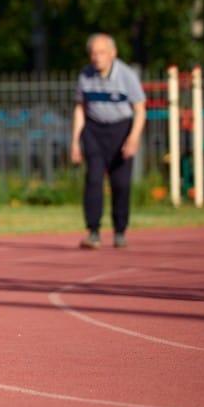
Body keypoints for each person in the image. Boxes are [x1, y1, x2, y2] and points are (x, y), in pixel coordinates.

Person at [71, 33, 146, 250]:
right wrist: (75, 141)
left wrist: (133, 139)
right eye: (93, 53)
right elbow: (80, 108)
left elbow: (140, 109)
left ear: (113, 54)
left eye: (101, 52)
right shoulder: (85, 76)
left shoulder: (126, 76)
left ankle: (120, 230)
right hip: (93, 129)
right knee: (93, 178)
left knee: (120, 183)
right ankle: (93, 231)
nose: (97, 57)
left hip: (120, 129)